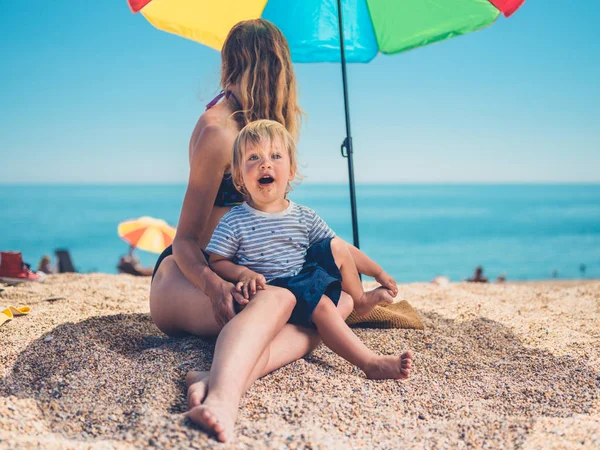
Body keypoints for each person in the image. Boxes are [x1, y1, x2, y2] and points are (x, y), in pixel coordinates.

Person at [150, 19, 351, 443]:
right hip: (189, 277)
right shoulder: (218, 132)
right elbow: (184, 241)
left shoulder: (256, 130)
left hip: (239, 280)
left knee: (342, 299)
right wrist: (212, 286)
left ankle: (214, 375)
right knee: (290, 303)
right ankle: (223, 399)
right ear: (275, 69)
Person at [205, 120, 413, 383]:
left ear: (291, 171)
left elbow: (344, 249)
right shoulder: (235, 220)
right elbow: (217, 260)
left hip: (302, 281)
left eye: (275, 156)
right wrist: (243, 272)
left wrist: (378, 272)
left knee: (335, 247)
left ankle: (360, 300)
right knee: (325, 308)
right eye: (253, 157)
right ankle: (370, 362)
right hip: (269, 295)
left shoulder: (304, 216)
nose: (265, 164)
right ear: (239, 176)